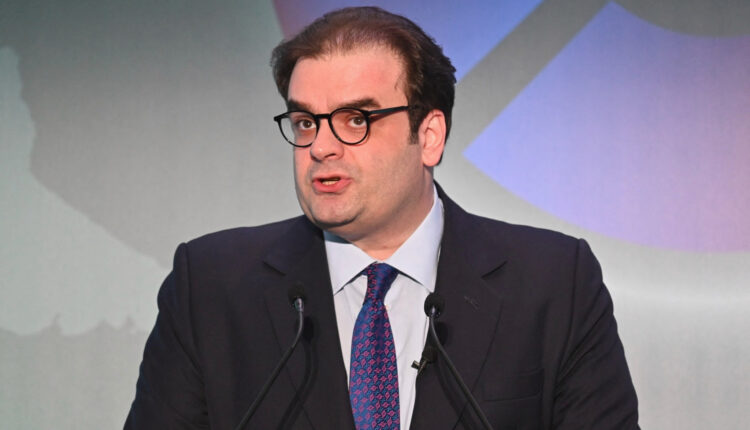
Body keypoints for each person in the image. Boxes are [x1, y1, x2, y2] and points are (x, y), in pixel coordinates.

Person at [125, 6, 639, 429]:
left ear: (429, 136)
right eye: (305, 122)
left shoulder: (554, 283)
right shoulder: (211, 287)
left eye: (356, 119)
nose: (321, 147)